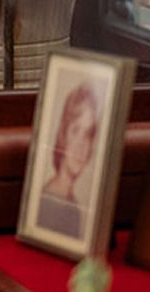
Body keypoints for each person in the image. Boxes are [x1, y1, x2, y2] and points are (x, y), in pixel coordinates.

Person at [35, 81, 101, 240]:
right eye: (75, 131)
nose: (81, 144)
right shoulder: (44, 203)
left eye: (87, 134)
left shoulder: (75, 209)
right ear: (63, 135)